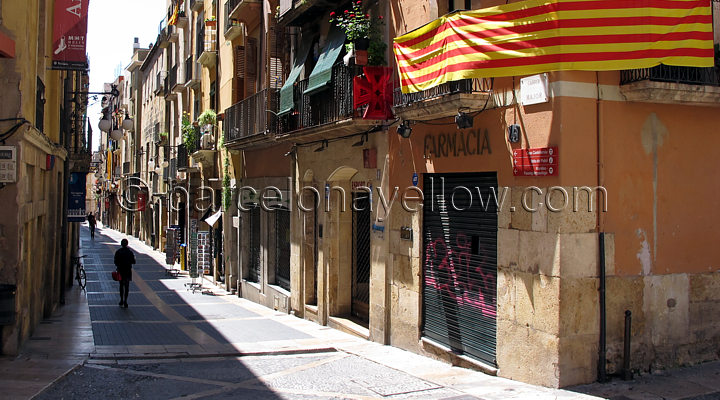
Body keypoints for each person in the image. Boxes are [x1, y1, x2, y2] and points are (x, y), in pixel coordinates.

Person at [114, 239, 135, 308]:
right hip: (128, 271)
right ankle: (125, 300)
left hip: (120, 270)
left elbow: (115, 261)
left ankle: (121, 300)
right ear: (127, 244)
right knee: (126, 286)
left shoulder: (118, 252)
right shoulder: (130, 252)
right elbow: (133, 261)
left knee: (121, 286)